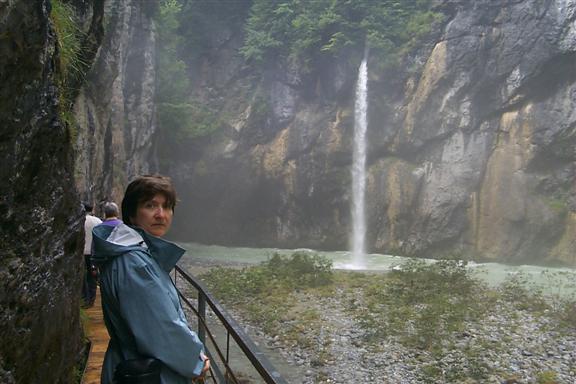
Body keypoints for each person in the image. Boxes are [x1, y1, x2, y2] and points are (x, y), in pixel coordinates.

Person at [92, 175, 210, 384]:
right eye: (150, 205)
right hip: (150, 375)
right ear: (132, 214)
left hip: (133, 367)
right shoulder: (135, 264)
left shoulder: (132, 253)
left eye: (167, 207)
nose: (160, 214)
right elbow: (162, 328)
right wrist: (196, 362)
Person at [83, 202, 102, 307]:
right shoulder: (98, 221)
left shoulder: (80, 221)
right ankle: (92, 299)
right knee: (92, 275)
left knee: (82, 276)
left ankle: (84, 298)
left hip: (82, 252)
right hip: (93, 252)